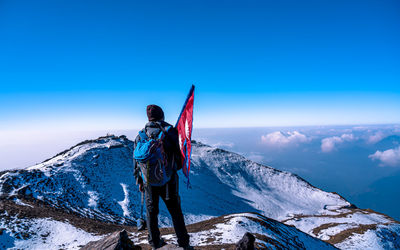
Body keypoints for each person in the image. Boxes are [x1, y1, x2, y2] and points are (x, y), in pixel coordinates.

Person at [133, 104, 192, 250]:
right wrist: (173, 169)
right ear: (162, 116)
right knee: (175, 211)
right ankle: (183, 243)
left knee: (151, 212)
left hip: (148, 182)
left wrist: (140, 180)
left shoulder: (140, 135)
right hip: (168, 181)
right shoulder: (170, 131)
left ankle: (154, 243)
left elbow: (136, 161)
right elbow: (179, 157)